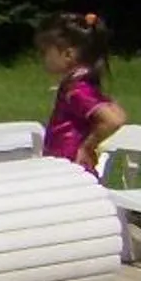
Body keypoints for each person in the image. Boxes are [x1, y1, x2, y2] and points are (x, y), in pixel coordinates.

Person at [36, 11, 127, 171]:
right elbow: (119, 114)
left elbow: (114, 120)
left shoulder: (76, 89)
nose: (42, 58)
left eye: (45, 52)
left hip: (68, 166)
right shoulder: (82, 83)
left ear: (68, 54)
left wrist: (87, 146)